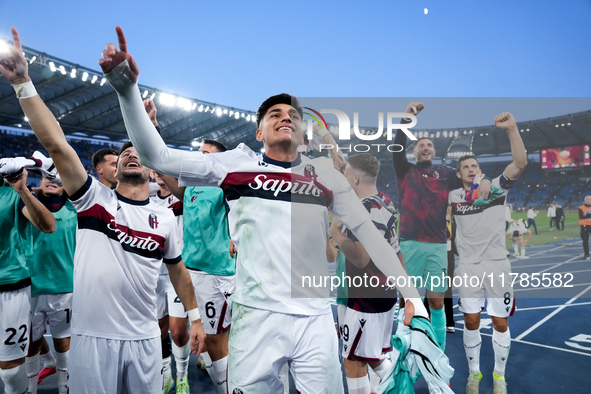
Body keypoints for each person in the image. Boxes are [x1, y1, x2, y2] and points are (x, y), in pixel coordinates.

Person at [99, 26, 427, 393]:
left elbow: (370, 234)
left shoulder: (326, 177)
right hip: (256, 319)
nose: (285, 116)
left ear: (303, 134)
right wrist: (126, 90)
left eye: (292, 114)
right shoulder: (234, 164)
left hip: (314, 320)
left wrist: (412, 296)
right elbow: (155, 156)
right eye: (274, 113)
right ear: (259, 132)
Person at [0, 27, 205, 394]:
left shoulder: (164, 218)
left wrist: (195, 318)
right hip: (92, 339)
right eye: (124, 150)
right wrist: (23, 84)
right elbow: (58, 145)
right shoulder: (94, 199)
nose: (130, 153)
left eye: (139, 151)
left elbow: (180, 275)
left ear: (151, 166)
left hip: (144, 341)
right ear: (114, 167)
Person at [392, 102, 490, 350]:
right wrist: (407, 119)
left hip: (437, 246)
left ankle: (438, 355)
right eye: (420, 145)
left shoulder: (446, 173)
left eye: (429, 145)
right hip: (410, 243)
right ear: (414, 151)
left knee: (436, 302)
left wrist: (484, 181)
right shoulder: (405, 170)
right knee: (407, 302)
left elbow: (471, 177)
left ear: (434, 151)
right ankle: (404, 357)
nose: (425, 148)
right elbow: (396, 147)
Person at [449, 111, 527, 394]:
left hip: (497, 264)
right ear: (458, 174)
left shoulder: (495, 188)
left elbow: (520, 163)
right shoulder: (453, 197)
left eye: (474, 165)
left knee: (499, 321)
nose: (471, 168)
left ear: (479, 170)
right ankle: (474, 376)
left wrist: (512, 129)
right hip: (468, 266)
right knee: (470, 321)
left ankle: (499, 377)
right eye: (466, 167)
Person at [329, 153, 403, 394]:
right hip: (384, 293)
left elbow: (361, 259)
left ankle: (405, 383)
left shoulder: (365, 208)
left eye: (346, 175)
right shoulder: (385, 201)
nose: (343, 179)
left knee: (354, 360)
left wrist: (334, 232)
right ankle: (397, 383)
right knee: (371, 355)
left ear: (356, 178)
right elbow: (396, 249)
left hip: (365, 297)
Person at [0, 168, 56, 394]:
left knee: (11, 370)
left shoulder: (12, 193)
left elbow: (48, 225)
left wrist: (22, 190)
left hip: (10, 288)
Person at [23, 174, 76, 394]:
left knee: (63, 342)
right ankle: (31, 389)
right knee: (31, 343)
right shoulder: (26, 205)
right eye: (45, 176)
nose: (50, 180)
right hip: (29, 287)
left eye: (56, 176)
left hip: (65, 287)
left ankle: (64, 389)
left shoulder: (76, 208)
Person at [579, 195, 591, 260]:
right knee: (585, 241)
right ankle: (586, 254)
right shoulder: (581, 207)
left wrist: (586, 214)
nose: (588, 200)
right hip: (584, 226)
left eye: (589, 199)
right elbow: (581, 217)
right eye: (587, 199)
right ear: (584, 200)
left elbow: (585, 216)